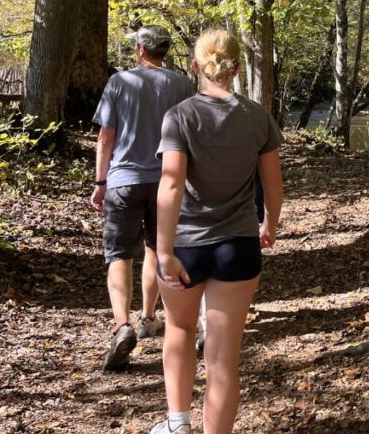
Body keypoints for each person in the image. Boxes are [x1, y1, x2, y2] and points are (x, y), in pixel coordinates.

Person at [150, 29, 283, 434]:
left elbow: (171, 183)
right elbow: (274, 185)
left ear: (195, 67)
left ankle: (178, 424)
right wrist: (269, 226)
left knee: (180, 329)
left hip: (187, 245)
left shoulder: (181, 116)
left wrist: (163, 249)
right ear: (236, 68)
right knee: (224, 358)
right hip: (238, 246)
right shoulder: (257, 117)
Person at [92, 25, 195, 371]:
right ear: (164, 50)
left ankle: (122, 325)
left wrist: (100, 181)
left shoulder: (119, 82)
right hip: (167, 180)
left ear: (140, 49)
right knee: (157, 248)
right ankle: (148, 318)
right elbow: (190, 135)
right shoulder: (183, 85)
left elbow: (106, 137)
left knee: (119, 255)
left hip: (123, 180)